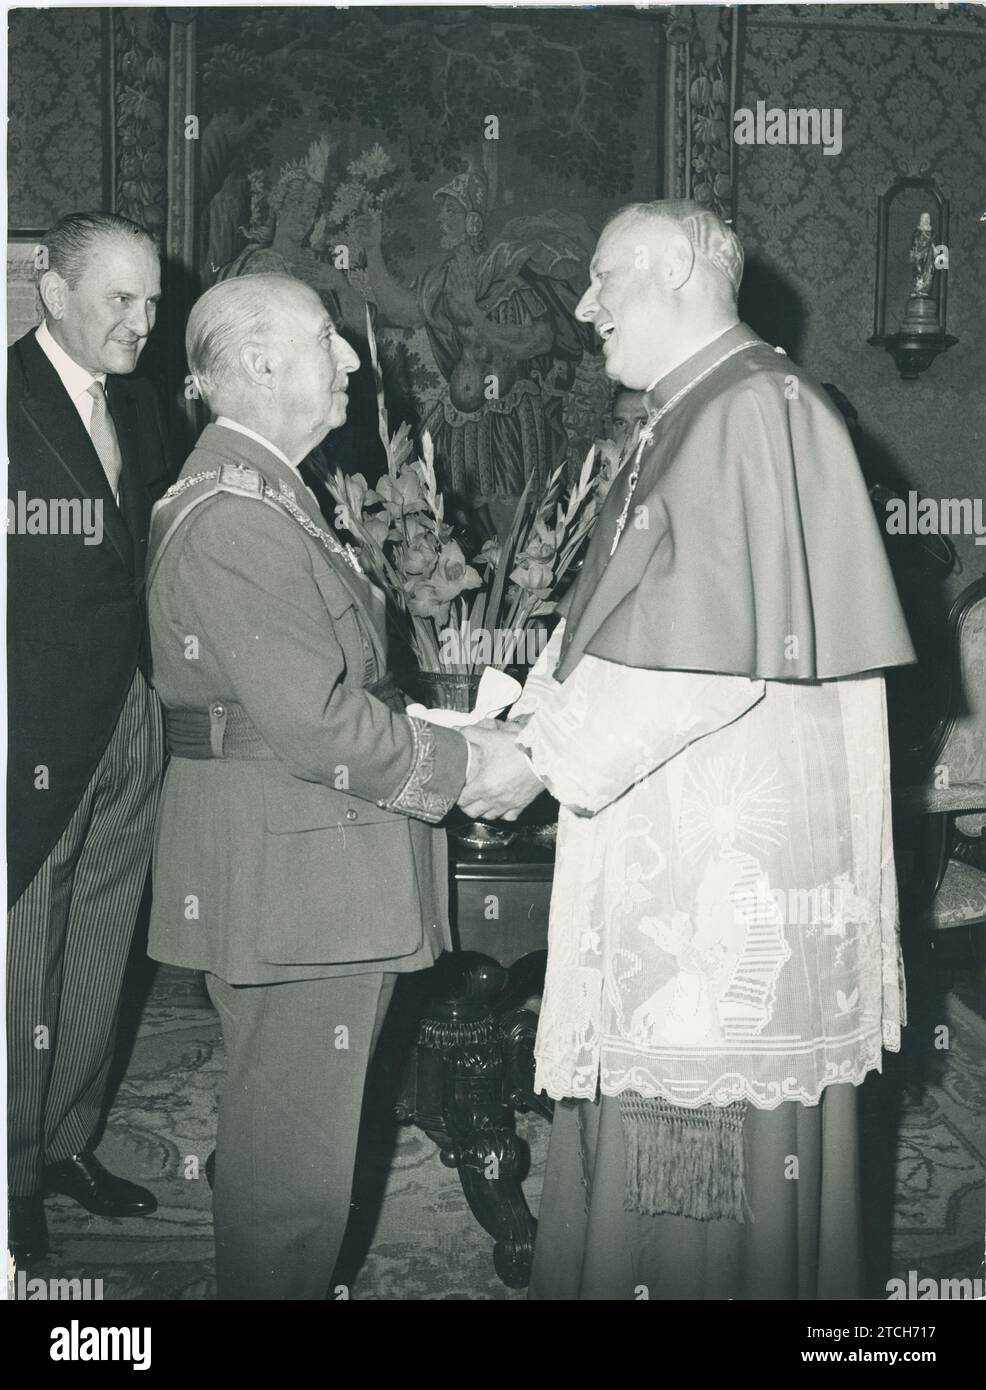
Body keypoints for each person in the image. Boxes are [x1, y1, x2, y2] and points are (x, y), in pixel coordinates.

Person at [460, 199, 916, 1299]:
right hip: (685, 832)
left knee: (703, 1210)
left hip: (724, 874)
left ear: (669, 272)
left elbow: (703, 663)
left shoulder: (751, 410)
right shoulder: (690, 412)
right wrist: (529, 716)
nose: (581, 306)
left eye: (600, 278)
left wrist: (536, 760)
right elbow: (640, 626)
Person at [145, 272, 479, 1299]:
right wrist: (476, 764)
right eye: (325, 340)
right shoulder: (235, 514)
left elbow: (317, 688)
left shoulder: (263, 491)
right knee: (293, 1169)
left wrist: (426, 724)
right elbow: (313, 722)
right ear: (254, 364)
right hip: (297, 872)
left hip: (303, 856)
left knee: (289, 1140)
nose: (349, 360)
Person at [7, 212, 172, 1264]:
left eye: (153, 302)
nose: (142, 322)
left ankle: (67, 1142)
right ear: (53, 291)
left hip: (131, 716)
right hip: (30, 730)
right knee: (23, 967)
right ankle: (8, 1175)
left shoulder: (148, 407)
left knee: (102, 948)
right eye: (121, 299)